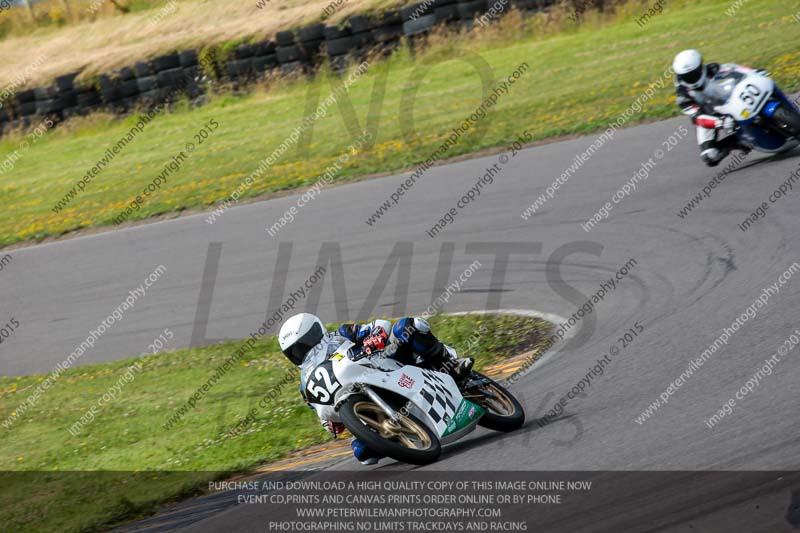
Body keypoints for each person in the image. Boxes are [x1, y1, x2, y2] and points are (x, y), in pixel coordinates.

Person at [278, 313, 473, 465]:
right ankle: (404, 438)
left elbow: (378, 325)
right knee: (362, 452)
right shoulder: (306, 386)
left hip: (386, 364)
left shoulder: (341, 334)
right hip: (366, 404)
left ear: (316, 330)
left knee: (406, 327)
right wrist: (331, 423)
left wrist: (375, 337)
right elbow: (324, 417)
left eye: (304, 343)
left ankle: (451, 363)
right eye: (295, 351)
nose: (303, 351)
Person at [672, 49, 756, 167]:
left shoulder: (713, 69)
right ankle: (737, 141)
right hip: (709, 116)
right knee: (710, 156)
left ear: (700, 66)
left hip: (729, 99)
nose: (691, 78)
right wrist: (720, 122)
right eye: (686, 76)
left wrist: (753, 72)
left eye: (694, 73)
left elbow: (735, 69)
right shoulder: (682, 96)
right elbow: (698, 119)